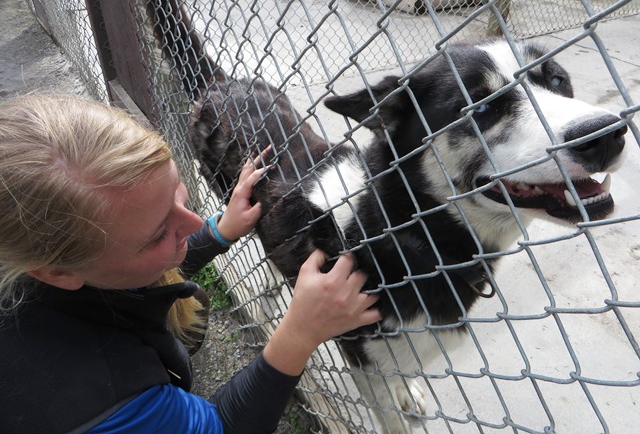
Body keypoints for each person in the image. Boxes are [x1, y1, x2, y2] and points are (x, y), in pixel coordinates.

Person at [0, 94, 381, 434]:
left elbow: (125, 258)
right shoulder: (103, 405)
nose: (195, 222)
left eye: (177, 197)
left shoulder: (28, 250)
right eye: (157, 233)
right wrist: (299, 333)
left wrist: (220, 231)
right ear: (58, 272)